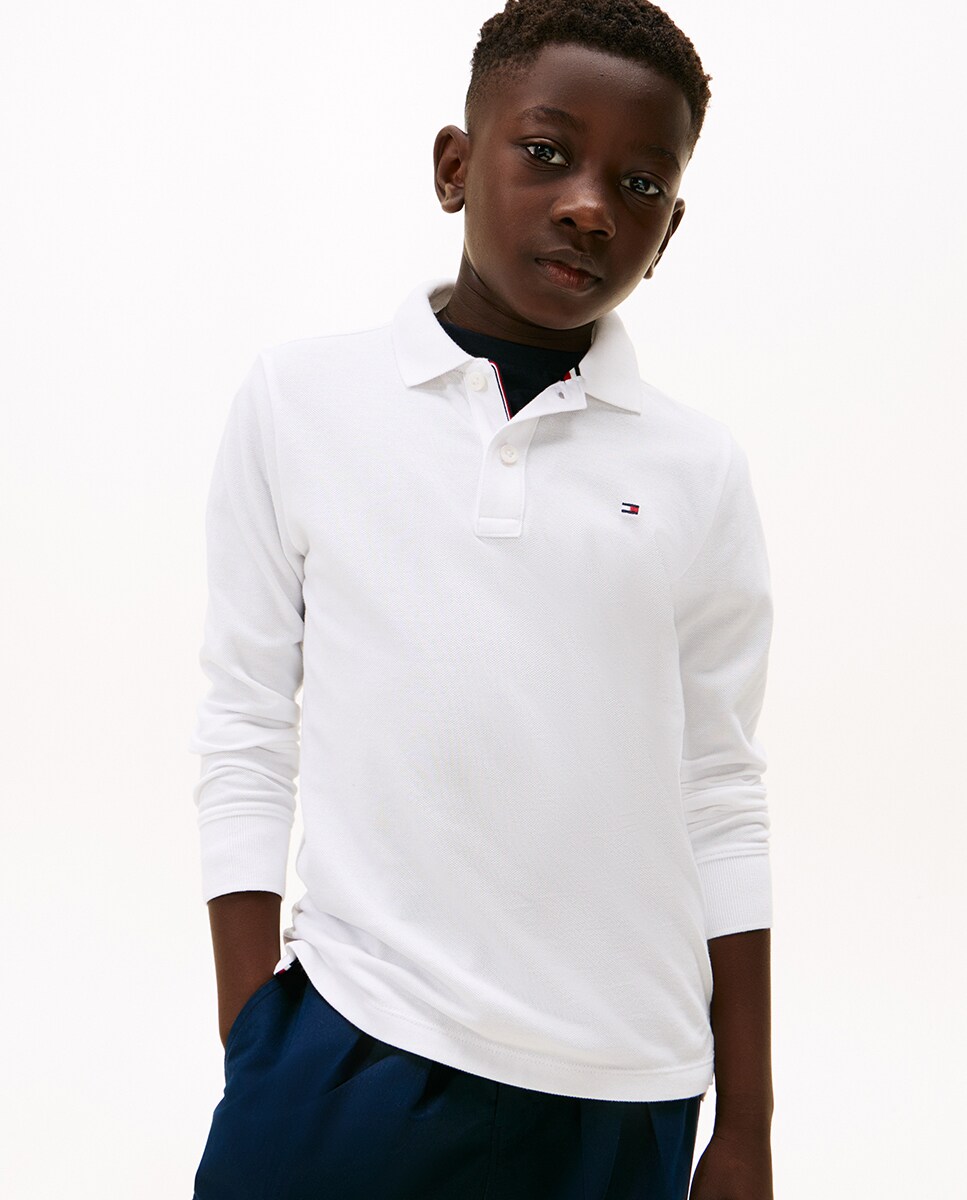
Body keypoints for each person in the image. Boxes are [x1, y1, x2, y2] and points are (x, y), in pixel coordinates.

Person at [188, 1, 775, 1197]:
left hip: (623, 1090)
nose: (589, 207)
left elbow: (720, 790)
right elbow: (246, 723)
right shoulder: (302, 402)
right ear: (455, 165)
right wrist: (255, 1033)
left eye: (640, 183)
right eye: (547, 152)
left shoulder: (696, 469)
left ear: (667, 231)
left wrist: (747, 1122)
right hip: (353, 1050)